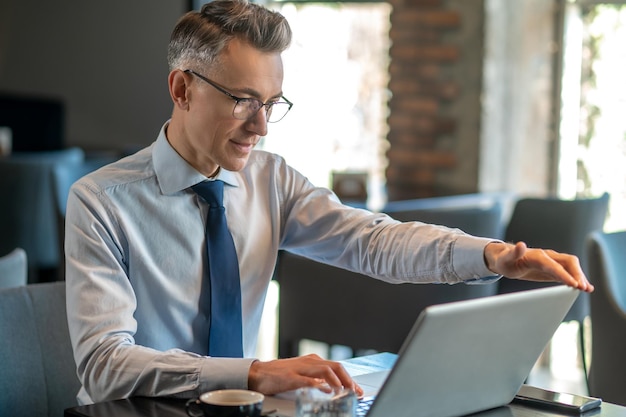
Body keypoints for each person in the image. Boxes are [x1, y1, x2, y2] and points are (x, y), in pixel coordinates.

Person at [64, 0, 593, 405]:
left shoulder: (271, 180)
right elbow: (105, 365)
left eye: (272, 104)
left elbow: (372, 241)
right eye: (244, 100)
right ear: (182, 89)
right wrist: (253, 372)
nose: (262, 126)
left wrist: (493, 256)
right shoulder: (100, 202)